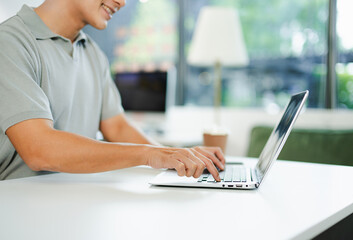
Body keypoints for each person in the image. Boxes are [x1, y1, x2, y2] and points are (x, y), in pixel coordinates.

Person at [0, 0, 225, 181]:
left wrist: (178, 158)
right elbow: (40, 150)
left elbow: (117, 127)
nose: (123, 3)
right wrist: (151, 155)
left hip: (76, 200)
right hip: (20, 208)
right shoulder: (10, 42)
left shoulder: (92, 53)